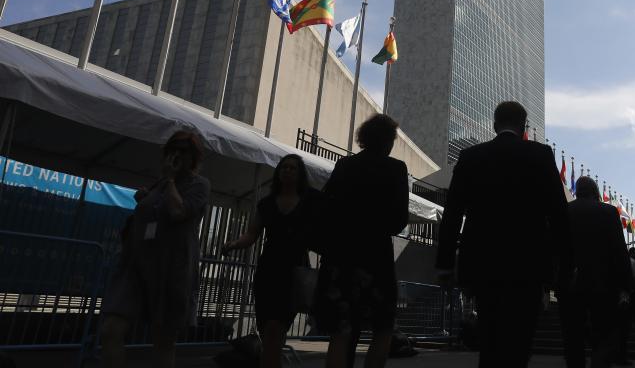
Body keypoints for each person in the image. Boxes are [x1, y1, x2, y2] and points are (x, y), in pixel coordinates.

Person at [436, 101, 570, 367]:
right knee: (520, 342)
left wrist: (445, 264)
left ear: (494, 125)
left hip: (483, 264)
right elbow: (558, 214)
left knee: (490, 339)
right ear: (523, 127)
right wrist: (564, 266)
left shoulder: (471, 157)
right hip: (528, 265)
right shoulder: (541, 155)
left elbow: (452, 214)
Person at [99, 131, 211, 368]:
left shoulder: (198, 185)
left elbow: (178, 212)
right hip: (137, 265)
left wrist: (170, 181)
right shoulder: (158, 184)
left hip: (171, 270)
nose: (176, 156)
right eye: (172, 151)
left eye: (182, 152)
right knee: (111, 330)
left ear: (194, 158)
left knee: (163, 341)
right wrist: (147, 198)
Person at [313, 114, 409, 368]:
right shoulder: (396, 169)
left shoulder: (345, 165)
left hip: (341, 257)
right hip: (376, 257)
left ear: (364, 138)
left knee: (341, 330)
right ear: (388, 141)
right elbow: (399, 220)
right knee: (382, 328)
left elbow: (327, 210)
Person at [222, 154, 320, 368]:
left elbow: (322, 229)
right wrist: (233, 244)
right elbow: (251, 234)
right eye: (284, 167)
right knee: (269, 332)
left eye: (293, 168)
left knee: (276, 328)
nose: (287, 170)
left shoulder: (311, 200)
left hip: (294, 272)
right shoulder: (266, 204)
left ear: (300, 173)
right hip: (268, 270)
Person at [559, 176, 632, 368]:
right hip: (603, 284)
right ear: (595, 191)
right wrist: (626, 285)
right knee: (603, 333)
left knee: (573, 335)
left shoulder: (564, 212)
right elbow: (618, 250)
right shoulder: (608, 212)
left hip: (570, 283)